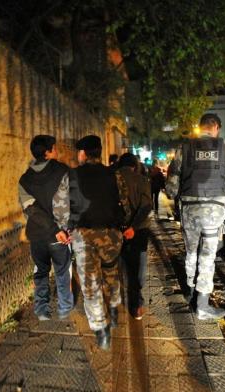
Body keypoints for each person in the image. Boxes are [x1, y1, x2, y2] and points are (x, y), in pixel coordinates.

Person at [166, 114, 225, 320]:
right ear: (217, 128)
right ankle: (202, 305)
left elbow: (171, 186)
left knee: (191, 252)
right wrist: (222, 192)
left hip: (189, 209)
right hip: (214, 211)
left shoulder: (184, 149)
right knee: (208, 257)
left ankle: (190, 290)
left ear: (200, 127)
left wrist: (179, 195)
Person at [69, 135, 128, 350]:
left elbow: (61, 206)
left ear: (83, 153)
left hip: (84, 237)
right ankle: (113, 309)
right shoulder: (114, 175)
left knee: (90, 284)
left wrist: (64, 228)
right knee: (111, 273)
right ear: (99, 151)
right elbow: (124, 203)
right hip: (111, 235)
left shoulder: (72, 175)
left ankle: (101, 330)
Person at [18, 135, 73, 321]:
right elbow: (71, 202)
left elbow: (30, 209)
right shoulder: (63, 171)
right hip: (59, 235)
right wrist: (64, 229)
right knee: (62, 271)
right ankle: (65, 308)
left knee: (40, 271)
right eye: (54, 148)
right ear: (48, 152)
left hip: (36, 235)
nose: (57, 151)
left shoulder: (24, 179)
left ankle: (42, 310)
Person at [117, 153, 152, 320]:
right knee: (138, 265)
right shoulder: (142, 180)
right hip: (139, 230)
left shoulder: (112, 179)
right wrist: (133, 227)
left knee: (119, 263)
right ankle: (136, 304)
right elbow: (146, 207)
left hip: (117, 229)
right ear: (134, 165)